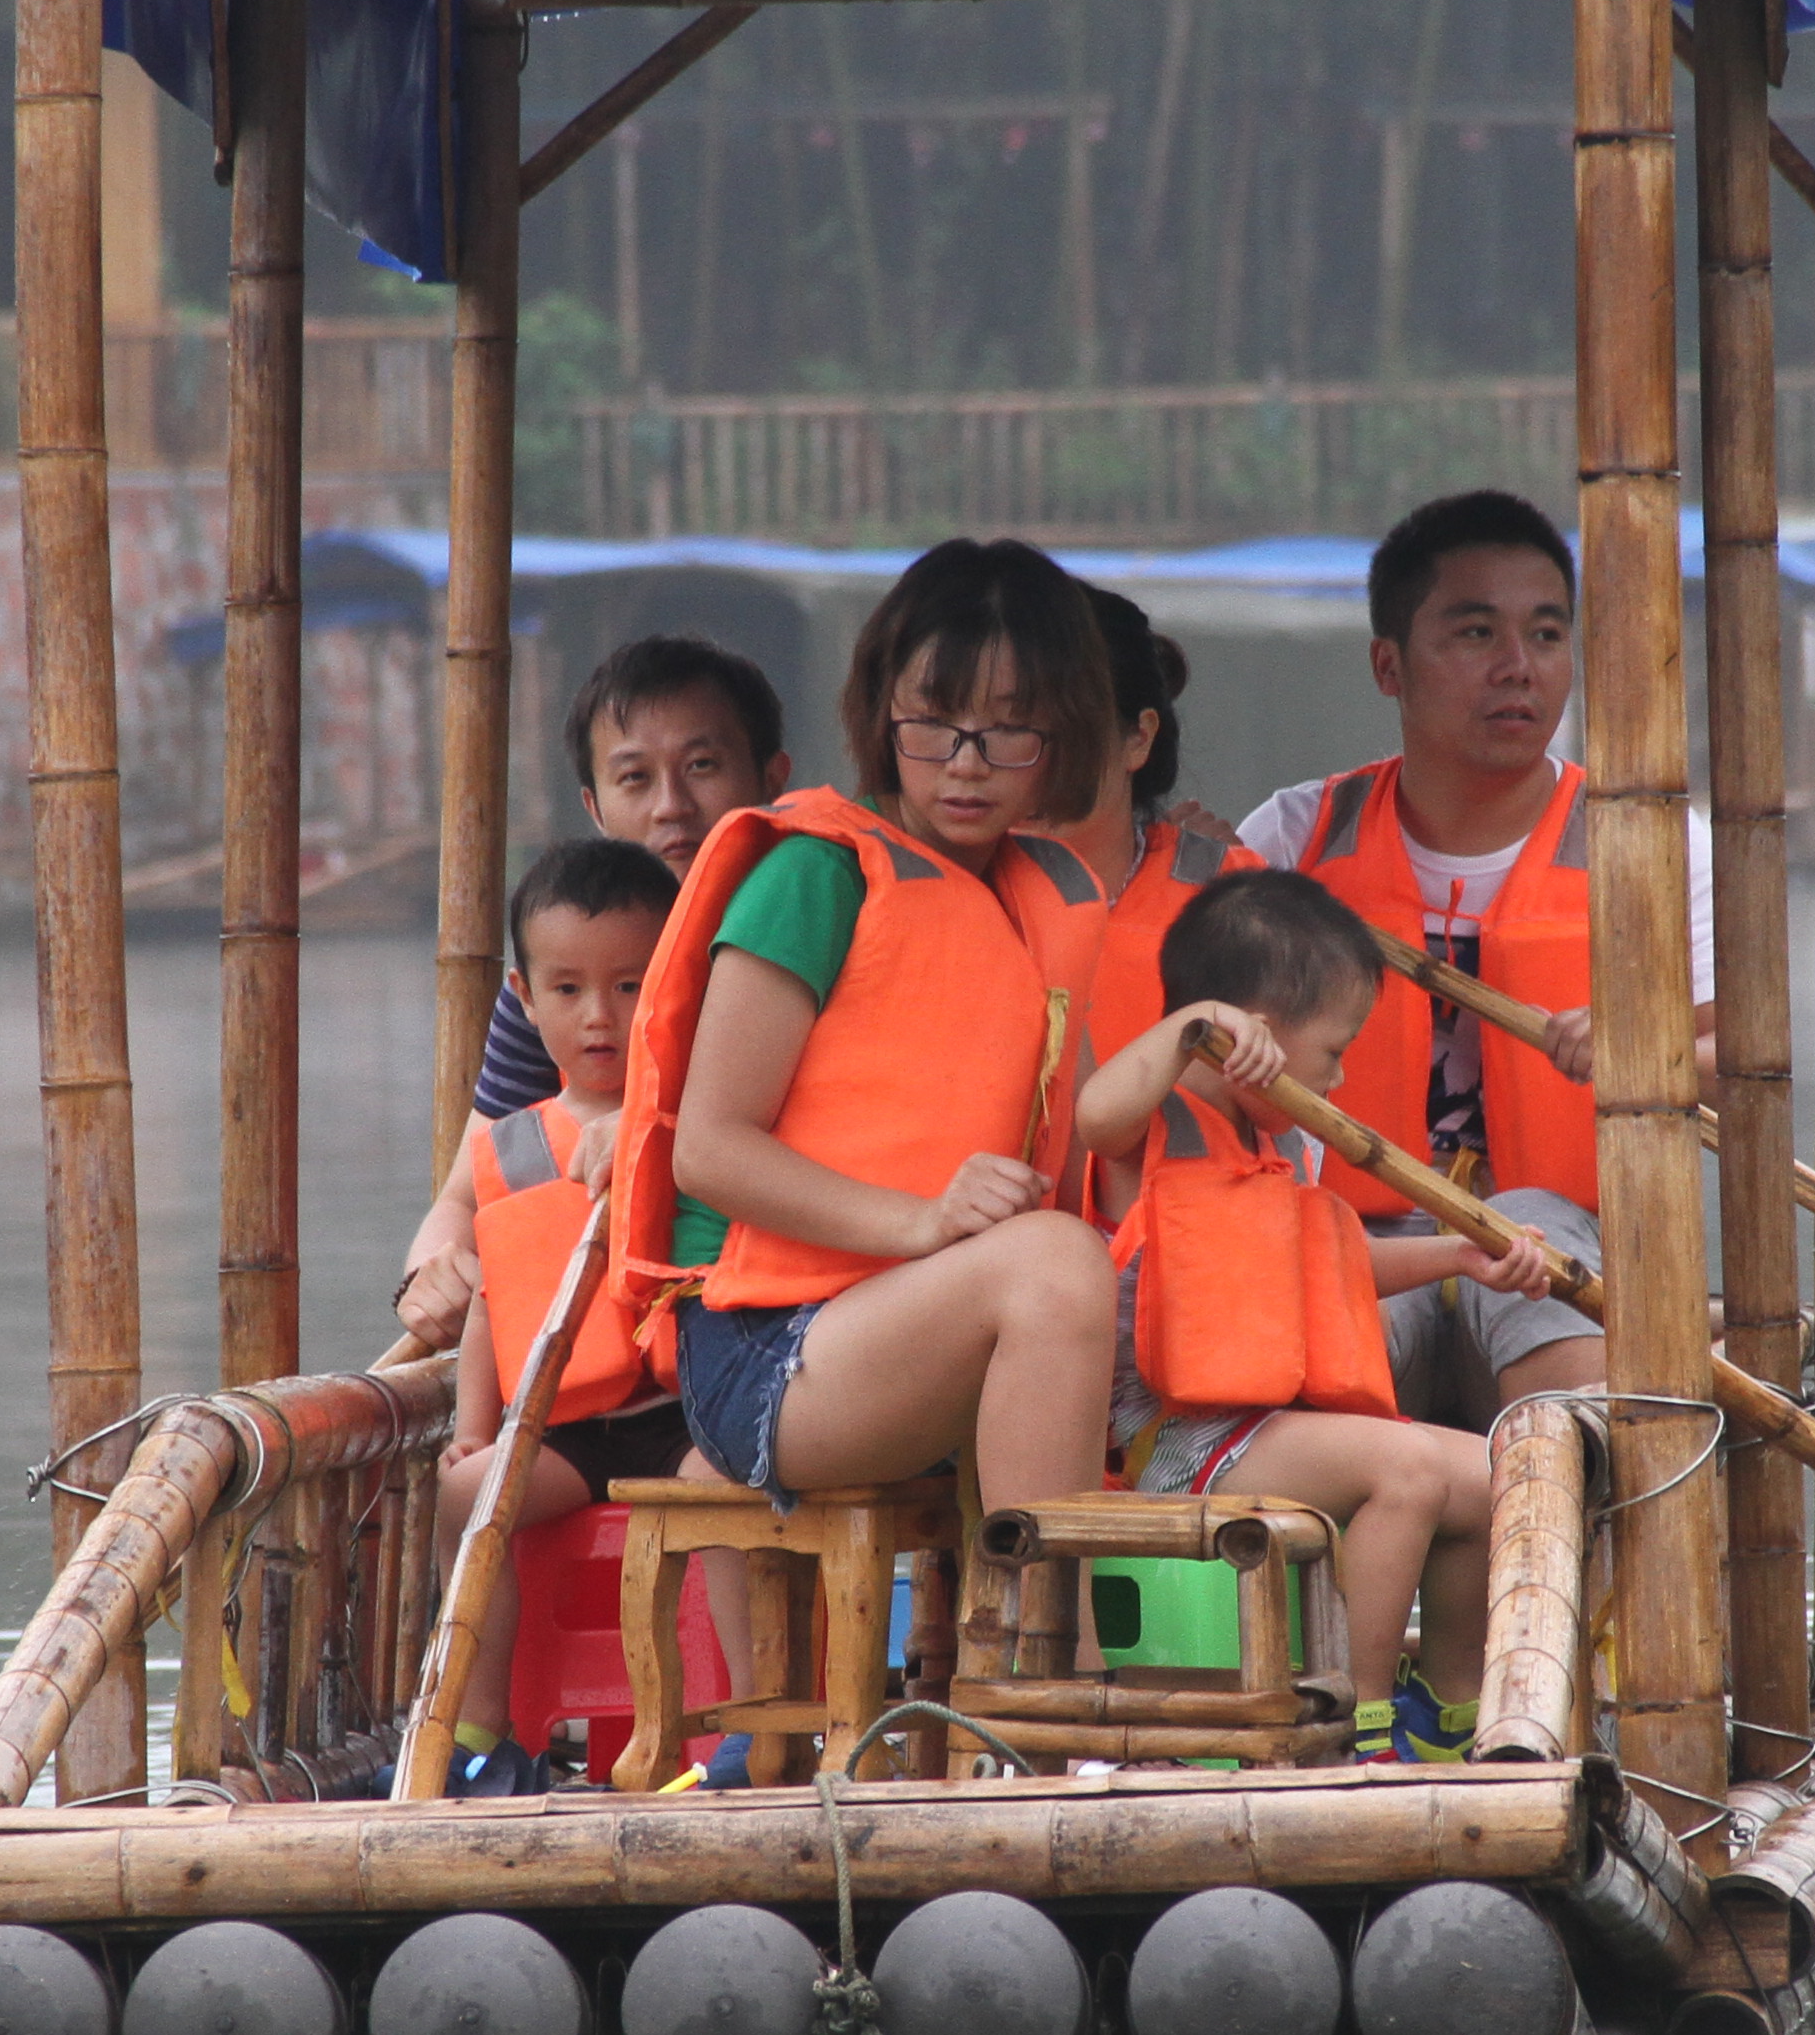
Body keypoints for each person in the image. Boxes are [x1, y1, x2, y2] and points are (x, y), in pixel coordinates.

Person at [610, 542, 1125, 1537]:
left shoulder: (1044, 900)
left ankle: (1031, 1650)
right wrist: (922, 1221)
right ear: (882, 712)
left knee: (1114, 1282)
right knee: (1054, 1265)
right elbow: (710, 1150)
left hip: (907, 1323)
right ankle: (1042, 1657)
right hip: (768, 1354)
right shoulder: (817, 877)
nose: (967, 767)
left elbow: (1091, 1132)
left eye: (1010, 731)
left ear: (1063, 739)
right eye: (935, 726)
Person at [1226, 487, 1717, 1426]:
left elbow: (1740, 1076)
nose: (1517, 669)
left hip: (1571, 1245)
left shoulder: (1650, 845)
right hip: (1353, 1237)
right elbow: (1211, 1081)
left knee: (1553, 1316)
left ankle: (1555, 1532)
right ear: (1388, 665)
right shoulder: (1292, 841)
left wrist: (1639, 1055)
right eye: (1475, 635)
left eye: (1544, 634)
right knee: (1305, 1366)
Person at [1074, 871, 1560, 1756]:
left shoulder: (1285, 1143)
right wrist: (1197, 1025)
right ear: (1253, 1031)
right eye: (1334, 1051)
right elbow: (1095, 1112)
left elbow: (1326, 1270)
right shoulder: (1153, 1126)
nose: (1338, 1076)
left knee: (1495, 1471)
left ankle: (1446, 1711)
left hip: (1270, 1433)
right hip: (1173, 1451)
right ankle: (1352, 1723)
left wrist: (1461, 1258)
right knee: (1406, 1469)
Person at [395, 635, 792, 1345]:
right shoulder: (565, 976)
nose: (672, 806)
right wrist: (432, 1271)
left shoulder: (801, 939)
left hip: (760, 1314)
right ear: (596, 807)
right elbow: (463, 1197)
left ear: (772, 779)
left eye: (702, 766)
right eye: (635, 778)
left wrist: (649, 1126)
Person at [428, 839, 686, 1787]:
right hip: (566, 1425)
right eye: (569, 989)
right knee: (467, 1495)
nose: (601, 1016)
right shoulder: (506, 1145)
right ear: (524, 998)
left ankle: (749, 1728)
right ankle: (480, 1736)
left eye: (630, 984)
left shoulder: (699, 1119)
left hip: (686, 1413)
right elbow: (495, 1296)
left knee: (739, 1502)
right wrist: (472, 1428)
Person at [990, 582, 1256, 1200]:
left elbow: (1288, 1119)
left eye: (1061, 732)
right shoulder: (934, 892)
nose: (1027, 759)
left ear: (1139, 737)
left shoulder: (1237, 903)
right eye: (1005, 729)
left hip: (1176, 1253)